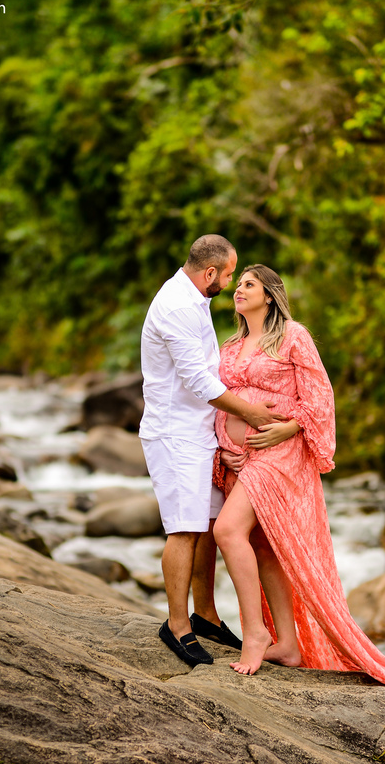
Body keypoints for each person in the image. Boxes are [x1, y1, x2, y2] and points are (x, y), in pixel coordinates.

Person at [211, 264, 385, 698]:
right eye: (237, 284)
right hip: (240, 458)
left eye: (248, 284)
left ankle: (255, 633)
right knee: (262, 545)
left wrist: (288, 428)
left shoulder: (293, 336)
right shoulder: (231, 345)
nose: (238, 290)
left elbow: (319, 394)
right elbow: (221, 401)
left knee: (226, 530)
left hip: (278, 453)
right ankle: (288, 643)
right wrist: (224, 446)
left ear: (269, 295)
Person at [139, 235, 287, 667]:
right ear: (210, 273)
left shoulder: (195, 298)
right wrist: (252, 414)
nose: (230, 283)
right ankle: (177, 626)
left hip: (200, 434)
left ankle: (205, 614)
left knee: (207, 524)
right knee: (184, 529)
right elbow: (199, 381)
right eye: (228, 275)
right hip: (175, 435)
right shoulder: (177, 307)